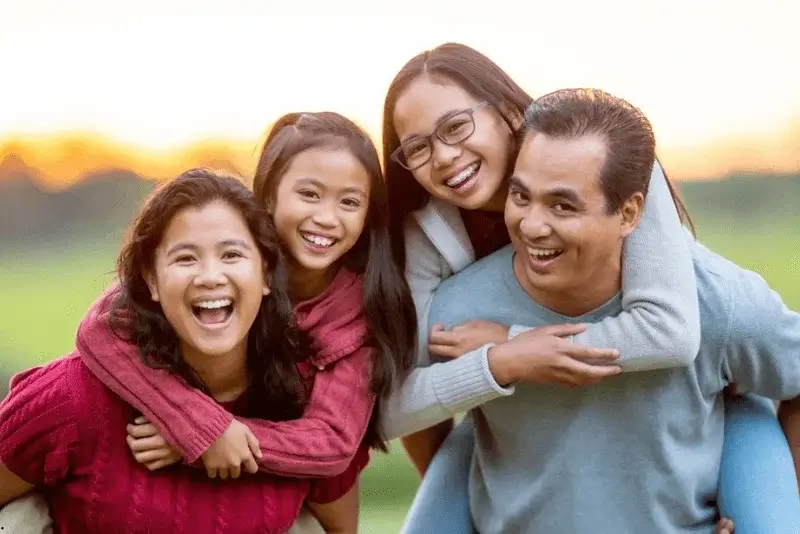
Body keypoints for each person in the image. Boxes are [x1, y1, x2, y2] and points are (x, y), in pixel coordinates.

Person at [411, 88, 800, 533]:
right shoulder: (460, 311)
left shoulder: (718, 305)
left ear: (630, 212)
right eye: (521, 197)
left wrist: (772, 511)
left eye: (563, 205)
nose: (532, 226)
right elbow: (406, 404)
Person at [381, 42, 703, 473]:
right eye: (418, 148)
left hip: (691, 397)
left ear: (508, 112)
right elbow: (395, 406)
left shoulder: (604, 160)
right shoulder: (428, 231)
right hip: (540, 434)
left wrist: (512, 340)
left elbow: (671, 333)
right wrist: (502, 363)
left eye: (456, 127)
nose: (443, 156)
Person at [0, 169, 369, 533]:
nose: (210, 276)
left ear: (267, 275)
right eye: (185, 259)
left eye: (231, 255)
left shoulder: (302, 403)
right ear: (151, 281)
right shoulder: (73, 399)